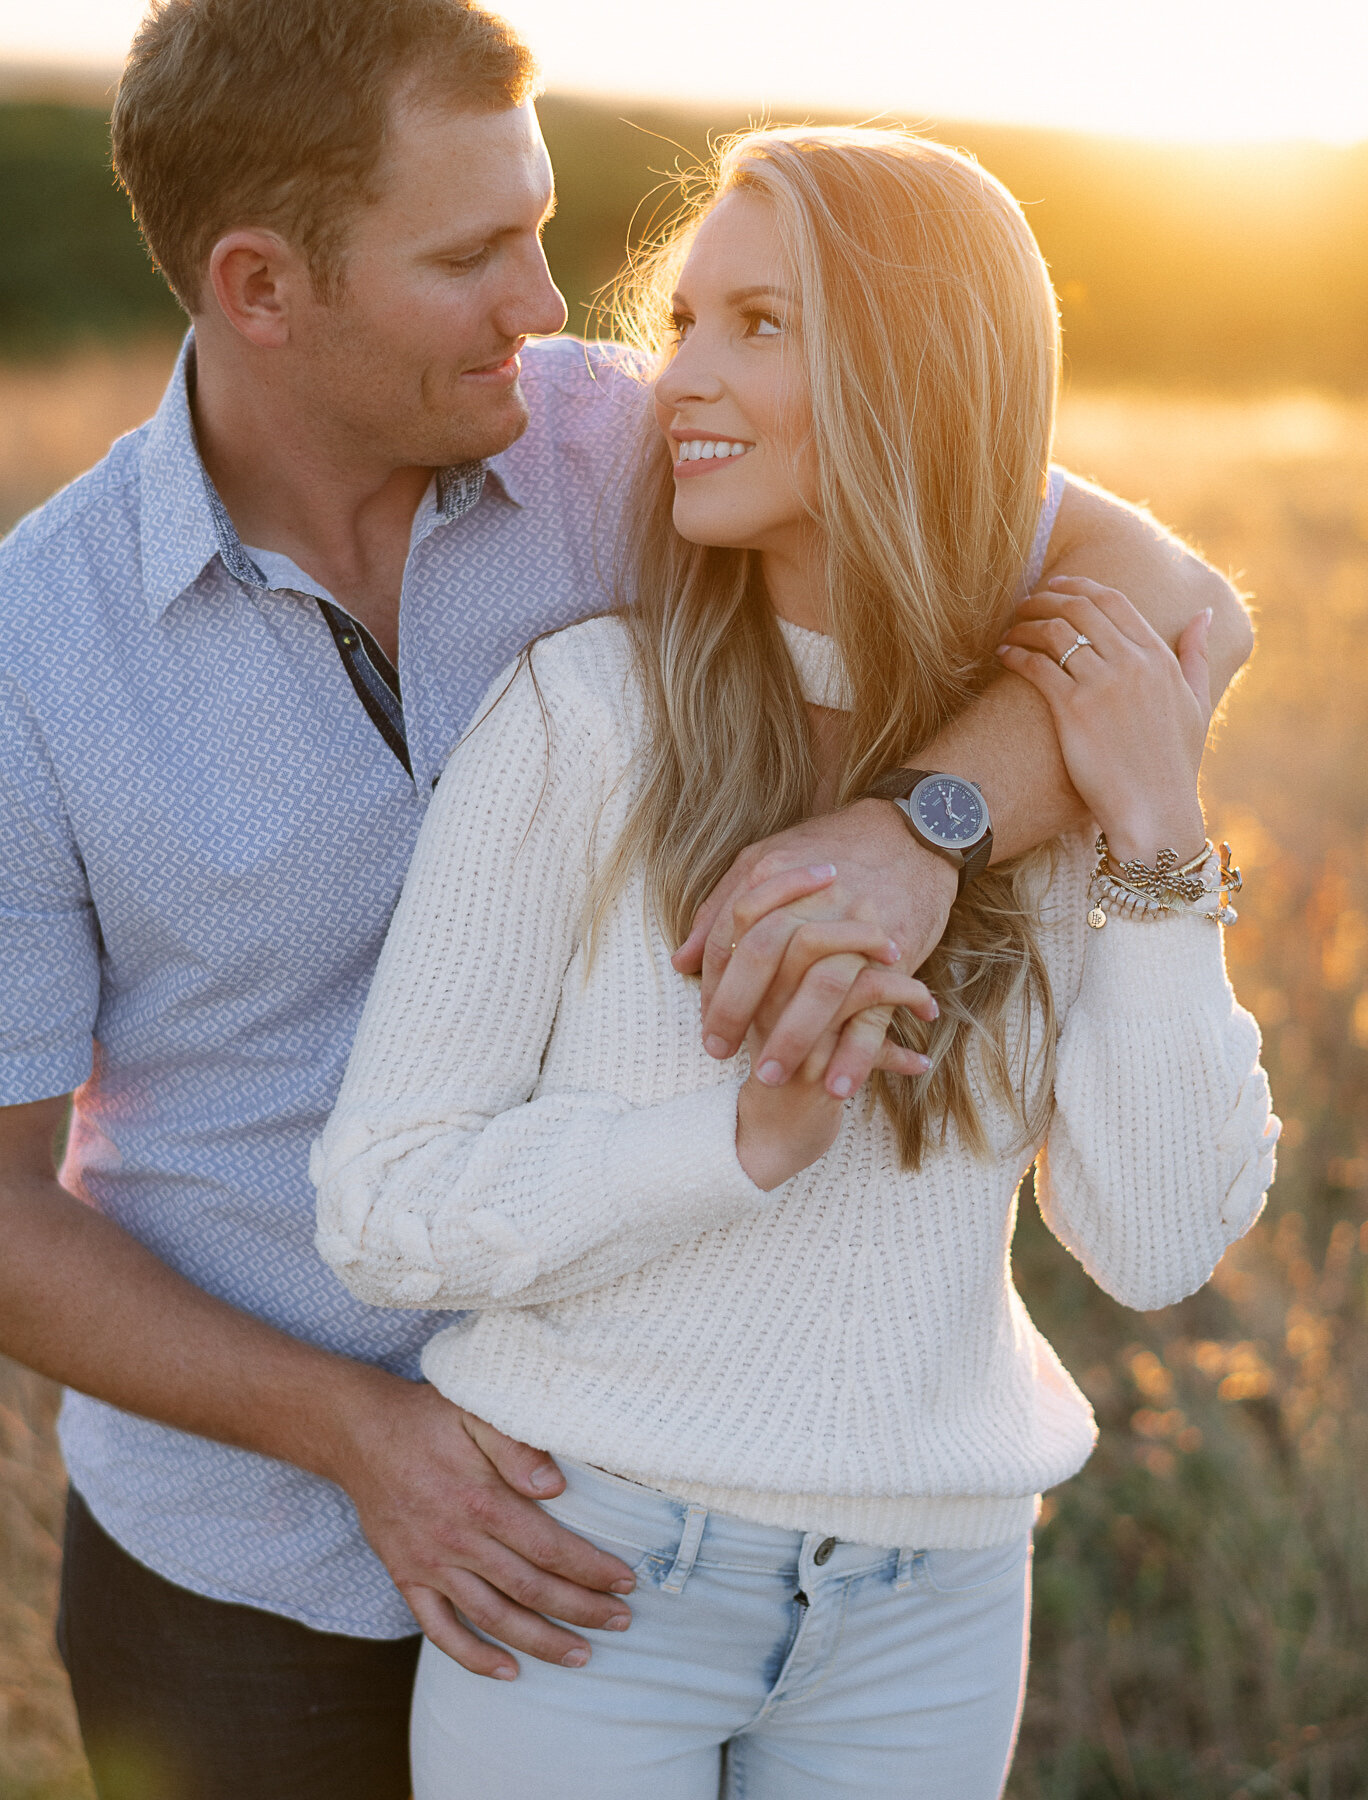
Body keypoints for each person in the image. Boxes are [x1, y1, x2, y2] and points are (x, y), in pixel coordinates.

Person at [0, 0, 1251, 1794]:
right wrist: (362, 1434)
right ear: (262, 287)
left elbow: (1161, 594)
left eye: (538, 219)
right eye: (473, 253)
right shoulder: (35, 661)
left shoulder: (632, 443)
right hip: (250, 1560)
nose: (547, 301)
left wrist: (923, 829)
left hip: (691, 1517)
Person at [313, 125, 1278, 1799]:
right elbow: (380, 1205)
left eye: (760, 325)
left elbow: (1159, 1243)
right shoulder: (587, 720)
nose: (677, 377)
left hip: (936, 1603)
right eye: (686, 321)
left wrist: (1160, 853)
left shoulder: (1048, 758)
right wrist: (732, 1145)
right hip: (586, 1583)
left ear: (921, 372)